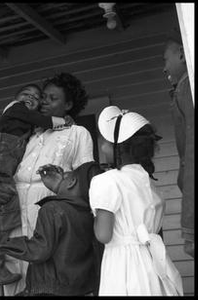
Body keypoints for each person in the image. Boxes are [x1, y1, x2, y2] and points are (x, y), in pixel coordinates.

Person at [0, 72, 95, 295]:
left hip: (49, 221)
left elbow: (85, 183)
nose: (44, 102)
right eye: (44, 97)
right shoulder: (30, 131)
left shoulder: (78, 133)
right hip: (15, 213)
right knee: (16, 273)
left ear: (68, 104)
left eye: (53, 98)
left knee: (44, 278)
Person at [89, 106, 183, 296]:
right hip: (152, 262)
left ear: (119, 148)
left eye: (105, 142)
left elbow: (103, 235)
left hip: (123, 264)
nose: (102, 146)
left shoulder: (107, 181)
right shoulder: (150, 185)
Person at [0, 161, 104, 296]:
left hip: (48, 290)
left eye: (65, 176)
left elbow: (39, 250)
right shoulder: (89, 216)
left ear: (72, 182)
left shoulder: (53, 209)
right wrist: (60, 185)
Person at [163, 34, 194, 258]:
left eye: (166, 60)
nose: (164, 69)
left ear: (182, 54)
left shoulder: (186, 88)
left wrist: (189, 224)